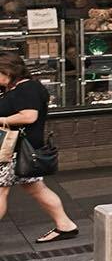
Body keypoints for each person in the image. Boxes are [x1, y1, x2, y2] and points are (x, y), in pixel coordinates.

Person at [0, 53, 76, 244]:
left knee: (1, 191)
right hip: (18, 149)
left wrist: (2, 120)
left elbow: (29, 116)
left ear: (9, 71)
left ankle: (65, 225)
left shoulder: (28, 88)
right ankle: (65, 225)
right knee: (35, 188)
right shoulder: (14, 87)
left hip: (13, 151)